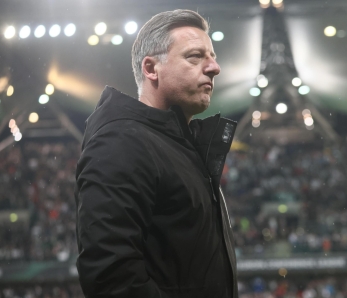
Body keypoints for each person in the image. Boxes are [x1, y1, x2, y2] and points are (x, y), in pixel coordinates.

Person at [75, 10, 238, 298]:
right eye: (195, 56)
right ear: (151, 69)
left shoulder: (179, 145)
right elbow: (111, 277)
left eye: (211, 56)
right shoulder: (121, 142)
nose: (214, 67)